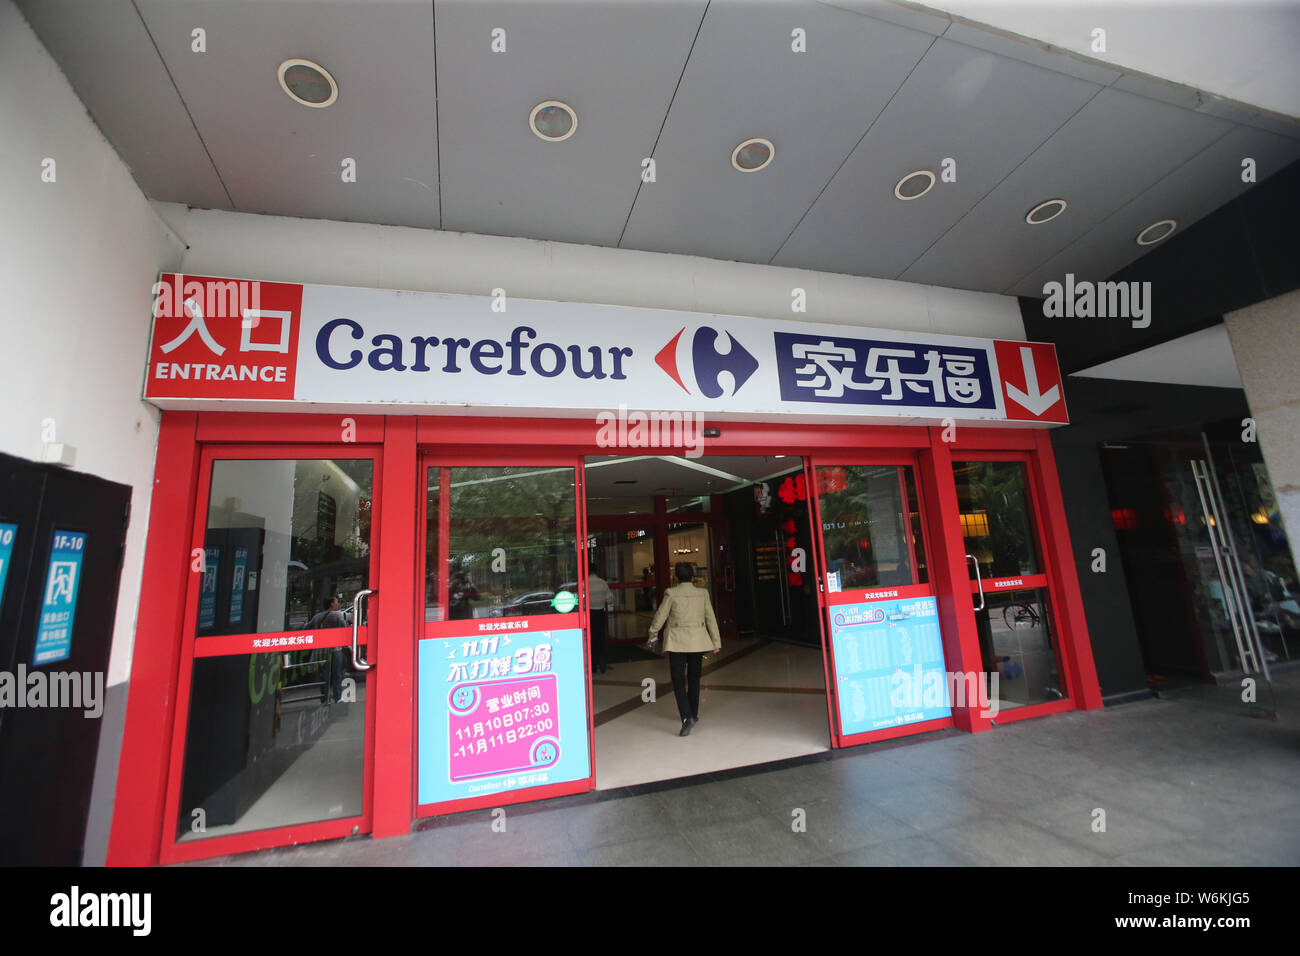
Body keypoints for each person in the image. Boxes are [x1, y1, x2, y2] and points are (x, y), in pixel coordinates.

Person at [647, 562, 721, 737]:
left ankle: (686, 717)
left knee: (678, 680)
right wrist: (716, 642)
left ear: (676, 577)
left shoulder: (671, 593)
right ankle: (693, 714)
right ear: (693, 576)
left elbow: (661, 615)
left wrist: (652, 633)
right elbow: (710, 617)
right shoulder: (702, 593)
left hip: (677, 642)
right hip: (698, 641)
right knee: (694, 678)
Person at [307, 596, 347, 704]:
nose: (338, 604)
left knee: (324, 676)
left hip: (321, 651)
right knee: (337, 674)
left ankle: (324, 698)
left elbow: (307, 628)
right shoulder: (337, 615)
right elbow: (345, 629)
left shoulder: (317, 617)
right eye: (336, 602)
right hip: (335, 649)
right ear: (331, 604)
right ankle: (337, 697)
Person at [588, 563, 614, 674]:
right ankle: (602, 665)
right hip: (600, 613)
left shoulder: (584, 583)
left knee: (591, 640)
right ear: (596, 571)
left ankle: (593, 667)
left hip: (589, 614)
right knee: (601, 638)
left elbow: (581, 601)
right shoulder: (602, 583)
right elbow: (610, 599)